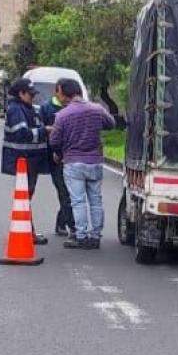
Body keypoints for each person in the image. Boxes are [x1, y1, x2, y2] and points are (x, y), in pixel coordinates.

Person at [50, 87, 123, 249]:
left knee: (78, 201)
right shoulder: (97, 109)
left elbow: (54, 141)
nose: (58, 96)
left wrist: (59, 152)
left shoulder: (62, 115)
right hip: (95, 161)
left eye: (59, 92)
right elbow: (111, 124)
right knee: (96, 201)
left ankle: (81, 236)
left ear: (65, 93)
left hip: (73, 162)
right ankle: (95, 236)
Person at [2, 77, 51, 245]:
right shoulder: (16, 110)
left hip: (31, 160)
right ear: (21, 94)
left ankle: (28, 230)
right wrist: (44, 131)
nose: (33, 98)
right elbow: (21, 133)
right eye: (30, 95)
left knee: (27, 196)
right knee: (25, 196)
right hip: (23, 160)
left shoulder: (28, 108)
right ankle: (27, 231)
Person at [38, 79, 77, 238]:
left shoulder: (75, 108)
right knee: (65, 193)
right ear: (58, 91)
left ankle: (62, 222)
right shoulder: (47, 108)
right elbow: (40, 131)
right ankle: (73, 227)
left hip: (74, 157)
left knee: (73, 193)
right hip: (56, 158)